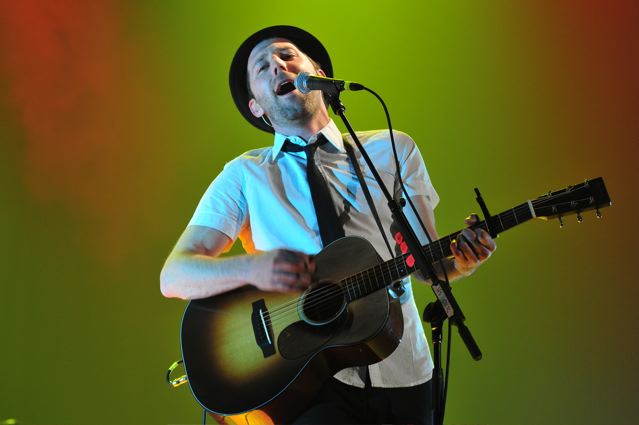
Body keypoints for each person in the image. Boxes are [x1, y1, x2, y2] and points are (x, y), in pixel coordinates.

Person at [160, 25, 496, 425]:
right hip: (310, 382)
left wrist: (463, 261)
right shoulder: (244, 176)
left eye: (287, 55)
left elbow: (428, 265)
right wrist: (252, 268)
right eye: (263, 67)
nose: (279, 67)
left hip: (405, 370)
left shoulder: (393, 148)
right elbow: (175, 276)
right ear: (256, 106)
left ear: (317, 70)